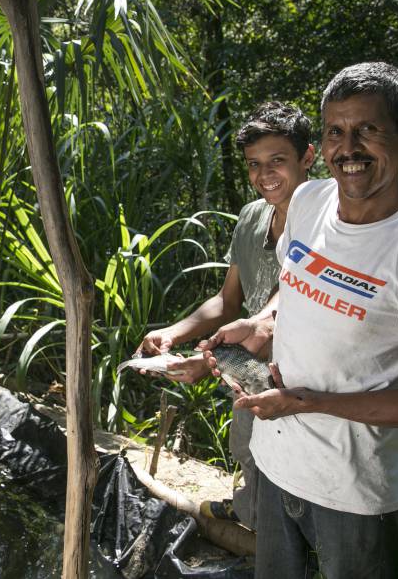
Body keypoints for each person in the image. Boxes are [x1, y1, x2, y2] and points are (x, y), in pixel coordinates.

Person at [205, 62, 398, 578]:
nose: (348, 148)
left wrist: (311, 404)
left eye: (367, 129)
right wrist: (261, 326)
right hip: (277, 467)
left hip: (354, 493)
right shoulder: (309, 200)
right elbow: (298, 290)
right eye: (335, 131)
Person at [135, 101, 315, 529]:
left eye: (277, 161)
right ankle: (250, 515)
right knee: (245, 445)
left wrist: (209, 361)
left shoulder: (329, 219)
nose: (264, 175)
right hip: (246, 362)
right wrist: (173, 334)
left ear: (307, 157)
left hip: (304, 376)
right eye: (254, 164)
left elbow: (287, 308)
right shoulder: (253, 216)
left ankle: (282, 539)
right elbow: (227, 301)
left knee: (295, 477)